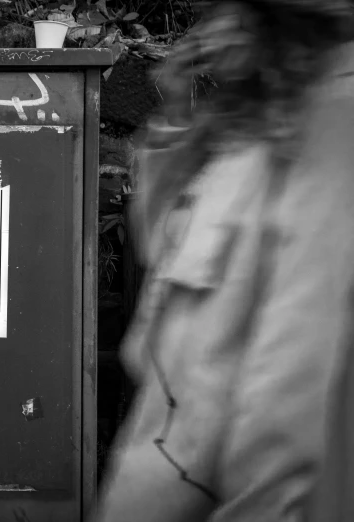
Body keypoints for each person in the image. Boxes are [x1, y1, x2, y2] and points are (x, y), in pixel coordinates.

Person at [95, 1, 354, 521]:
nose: (216, 31)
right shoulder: (249, 129)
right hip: (163, 455)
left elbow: (290, 386)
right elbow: (161, 245)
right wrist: (175, 108)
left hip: (210, 481)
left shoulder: (330, 136)